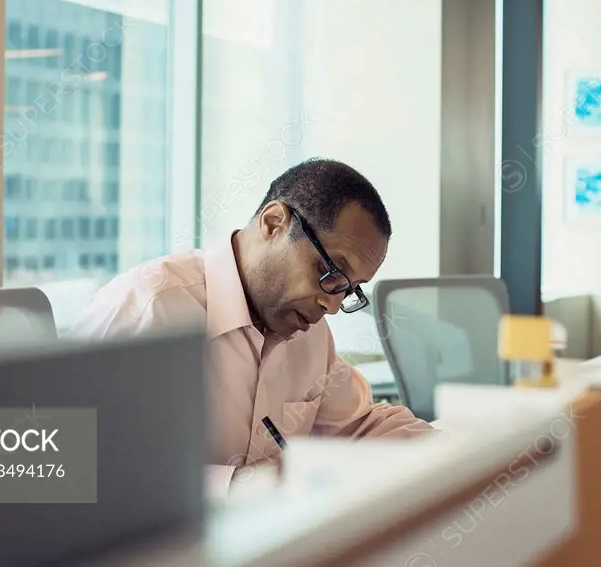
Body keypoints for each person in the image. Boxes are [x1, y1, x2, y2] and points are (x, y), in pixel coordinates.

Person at [68, 158, 434, 491]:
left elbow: (358, 427)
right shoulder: (147, 309)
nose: (333, 305)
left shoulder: (310, 332)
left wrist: (460, 450)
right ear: (274, 224)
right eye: (331, 272)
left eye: (348, 289)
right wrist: (243, 487)